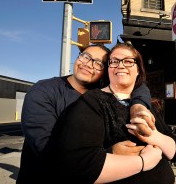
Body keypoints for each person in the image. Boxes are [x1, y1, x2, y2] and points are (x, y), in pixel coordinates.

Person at [17, 44, 154, 184]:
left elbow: (138, 84)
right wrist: (108, 154)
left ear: (105, 72)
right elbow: (46, 149)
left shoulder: (100, 93)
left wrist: (138, 106)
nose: (88, 64)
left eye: (98, 64)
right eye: (86, 57)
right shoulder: (44, 91)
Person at [51, 42, 176, 183]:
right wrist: (143, 162)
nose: (120, 65)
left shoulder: (147, 105)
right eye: (114, 61)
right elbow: (80, 165)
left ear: (138, 70)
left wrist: (154, 136)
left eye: (128, 61)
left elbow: (173, 149)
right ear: (108, 69)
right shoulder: (93, 101)